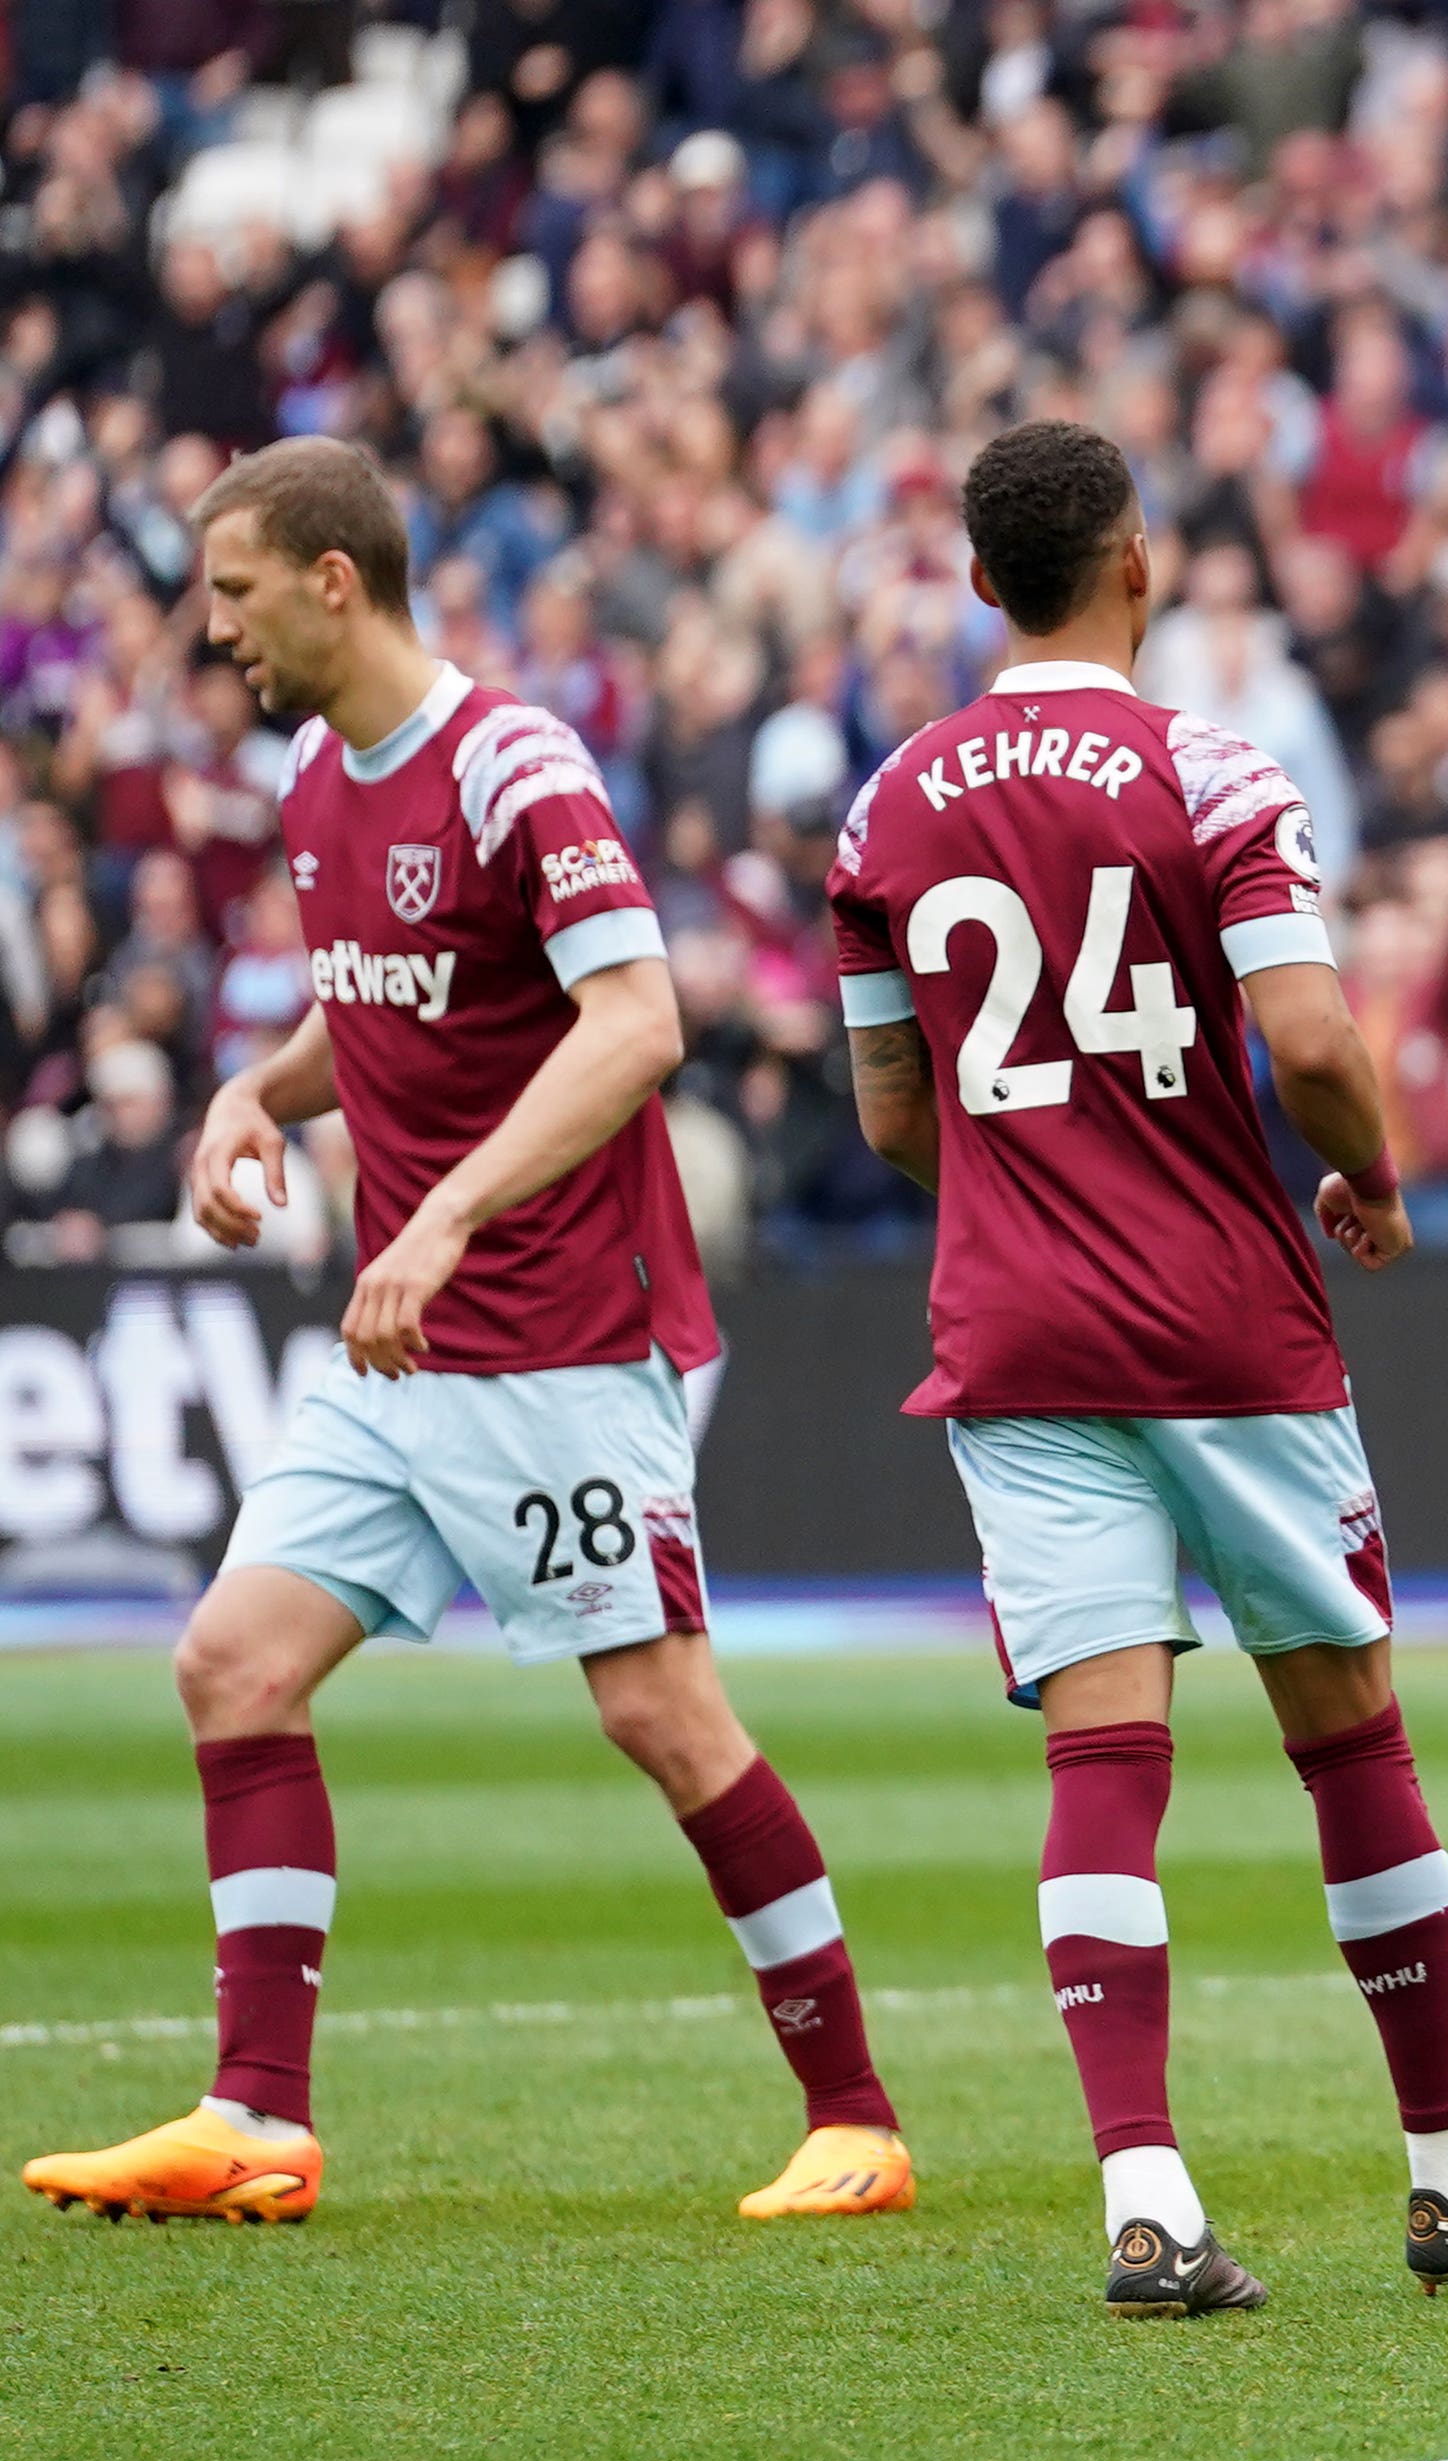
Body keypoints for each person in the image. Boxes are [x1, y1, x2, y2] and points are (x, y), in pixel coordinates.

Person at [22, 438, 911, 2229]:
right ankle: (255, 2111)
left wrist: (437, 1211)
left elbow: (638, 1017)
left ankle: (857, 2116)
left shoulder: (514, 764)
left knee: (661, 1712)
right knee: (231, 1665)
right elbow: (385, 1008)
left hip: (562, 1333)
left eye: (239, 593)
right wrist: (253, 1094)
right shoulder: (310, 771)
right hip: (403, 1347)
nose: (218, 632)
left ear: (334, 581)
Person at [826, 420, 1448, 2316]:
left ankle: (1146, 2202)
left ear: (983, 579)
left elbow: (885, 1110)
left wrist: (1028, 1191)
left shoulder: (888, 805)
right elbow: (1316, 1035)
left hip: (1011, 1335)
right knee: (1349, 1732)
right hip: (1223, 1328)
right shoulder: (1210, 765)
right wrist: (1374, 1165)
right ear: (1137, 563)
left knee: (1105, 1754)